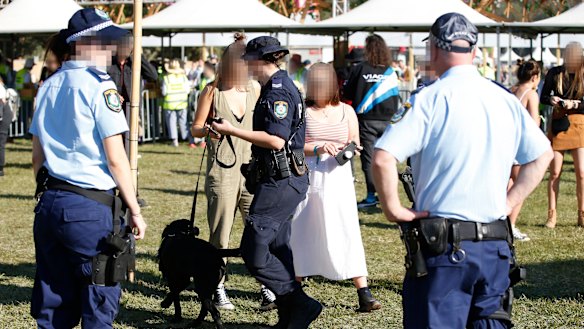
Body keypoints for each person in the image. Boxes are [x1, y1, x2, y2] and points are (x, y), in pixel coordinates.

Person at [372, 13, 552, 328]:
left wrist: (394, 210)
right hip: (494, 245)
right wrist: (509, 203)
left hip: (445, 249)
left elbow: (383, 157)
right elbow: (542, 155)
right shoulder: (504, 99)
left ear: (435, 50)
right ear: (473, 51)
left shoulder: (428, 99)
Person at [29, 8, 147, 328]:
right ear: (87, 45)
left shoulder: (48, 86)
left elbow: (37, 158)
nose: (111, 52)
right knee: (98, 300)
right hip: (89, 207)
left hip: (51, 202)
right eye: (106, 45)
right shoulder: (100, 86)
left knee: (54, 304)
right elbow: (115, 158)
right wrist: (134, 209)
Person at [211, 36, 322, 329]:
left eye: (248, 59)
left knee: (254, 250)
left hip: (281, 182)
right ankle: (290, 314)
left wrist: (232, 130)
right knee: (277, 247)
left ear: (259, 61)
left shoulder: (277, 92)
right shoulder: (276, 87)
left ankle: (298, 302)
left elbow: (275, 140)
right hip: (279, 179)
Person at [191, 33, 277, 312]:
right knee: (221, 234)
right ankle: (217, 286)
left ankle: (266, 285)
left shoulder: (255, 89)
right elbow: (195, 128)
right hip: (223, 171)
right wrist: (209, 130)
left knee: (259, 231)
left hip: (252, 170)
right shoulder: (212, 91)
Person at [289, 63, 381, 312]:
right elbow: (293, 145)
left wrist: (350, 149)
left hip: (339, 178)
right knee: (303, 229)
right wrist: (317, 148)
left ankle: (363, 291)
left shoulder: (347, 111)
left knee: (346, 229)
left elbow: (355, 141)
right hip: (310, 176)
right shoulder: (303, 111)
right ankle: (294, 289)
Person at [343, 34, 400, 208]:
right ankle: (390, 197)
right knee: (388, 159)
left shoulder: (359, 69)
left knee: (368, 159)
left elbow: (347, 93)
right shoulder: (390, 72)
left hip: (366, 120)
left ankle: (371, 196)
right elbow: (395, 97)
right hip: (388, 120)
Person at [541, 42, 584, 228]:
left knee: (582, 173)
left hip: (579, 124)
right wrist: (551, 99)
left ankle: (582, 214)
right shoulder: (555, 73)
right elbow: (543, 96)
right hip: (559, 124)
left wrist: (575, 104)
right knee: (555, 172)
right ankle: (552, 215)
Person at [508, 59, 541, 241]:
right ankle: (511, 225)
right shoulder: (531, 94)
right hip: (520, 145)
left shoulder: (512, 90)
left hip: (506, 143)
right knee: (521, 185)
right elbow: (534, 121)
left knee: (507, 185)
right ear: (535, 77)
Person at [162, 59, 190, 147]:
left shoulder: (166, 78)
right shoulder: (183, 77)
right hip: (182, 103)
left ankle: (175, 141)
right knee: (183, 122)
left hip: (170, 104)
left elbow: (164, 92)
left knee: (171, 123)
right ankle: (186, 137)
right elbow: (188, 90)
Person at [0, 76, 10, 177]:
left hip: (3, 115)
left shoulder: (0, 88)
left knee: (0, 142)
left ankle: (0, 168)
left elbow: (2, 103)